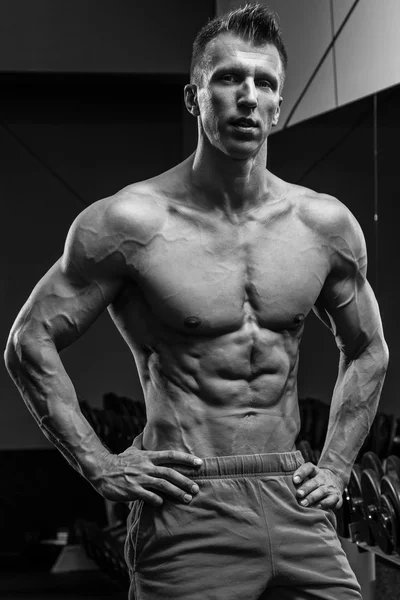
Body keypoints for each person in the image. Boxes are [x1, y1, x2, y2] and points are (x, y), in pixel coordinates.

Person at [5, 4, 388, 599]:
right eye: (228, 78)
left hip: (294, 494)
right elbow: (28, 340)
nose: (248, 96)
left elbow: (368, 349)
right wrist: (99, 464)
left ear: (279, 106)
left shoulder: (323, 224)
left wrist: (337, 466)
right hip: (188, 497)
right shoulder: (129, 222)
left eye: (265, 83)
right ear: (194, 98)